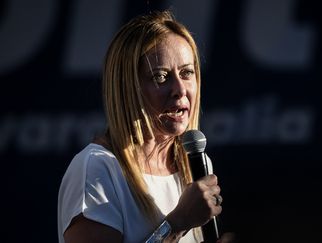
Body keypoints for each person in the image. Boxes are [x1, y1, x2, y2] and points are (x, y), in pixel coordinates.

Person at [57, 10, 235, 243]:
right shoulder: (96, 169)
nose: (180, 90)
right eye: (161, 77)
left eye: (187, 73)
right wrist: (177, 223)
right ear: (127, 87)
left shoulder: (195, 164)